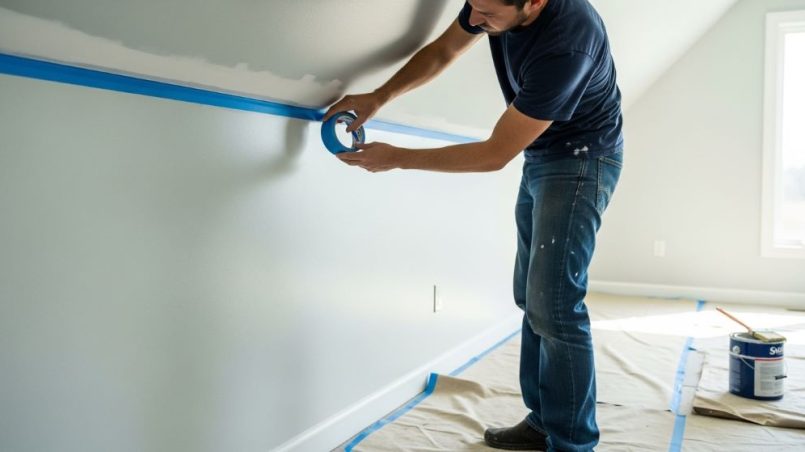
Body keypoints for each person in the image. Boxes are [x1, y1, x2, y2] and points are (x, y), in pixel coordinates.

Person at [324, 0, 623, 450]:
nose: (476, 19)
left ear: (535, 2)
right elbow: (444, 51)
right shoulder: (491, 1)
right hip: (542, 154)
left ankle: (573, 444)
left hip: (583, 160)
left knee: (556, 307)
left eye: (487, 14)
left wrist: (398, 158)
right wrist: (378, 97)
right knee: (532, 298)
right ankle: (544, 422)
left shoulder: (568, 44)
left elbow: (493, 154)